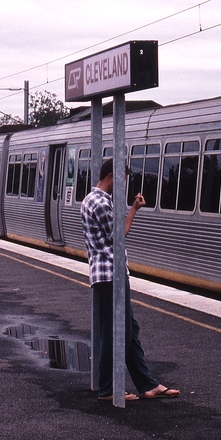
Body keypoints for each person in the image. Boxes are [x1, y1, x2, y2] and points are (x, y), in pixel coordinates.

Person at [81, 158, 179, 402]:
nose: (123, 187)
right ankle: (107, 387)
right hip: (110, 274)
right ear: (111, 177)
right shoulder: (101, 203)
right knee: (116, 332)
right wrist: (134, 210)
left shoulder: (93, 200)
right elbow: (118, 237)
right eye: (122, 182)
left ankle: (148, 384)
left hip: (108, 273)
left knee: (129, 329)